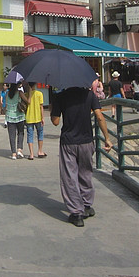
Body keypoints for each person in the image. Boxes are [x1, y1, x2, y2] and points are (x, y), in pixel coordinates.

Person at [51, 86, 112, 227]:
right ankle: (87, 205)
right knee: (86, 173)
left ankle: (76, 213)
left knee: (69, 177)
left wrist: (55, 107)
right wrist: (107, 138)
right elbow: (99, 116)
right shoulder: (89, 95)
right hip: (86, 141)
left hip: (68, 142)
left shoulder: (61, 96)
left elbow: (55, 121)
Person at [5, 82, 28, 160]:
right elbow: (28, 101)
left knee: (12, 135)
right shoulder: (20, 93)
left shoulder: (7, 93)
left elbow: (5, 105)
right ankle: (19, 149)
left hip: (9, 116)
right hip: (19, 116)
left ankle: (13, 154)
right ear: (17, 85)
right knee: (20, 133)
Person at [25, 82, 47, 160]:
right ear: (35, 85)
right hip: (38, 117)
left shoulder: (26, 94)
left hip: (29, 117)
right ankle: (40, 151)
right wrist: (42, 118)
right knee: (40, 133)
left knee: (30, 135)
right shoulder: (39, 94)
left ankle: (31, 154)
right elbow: (41, 107)